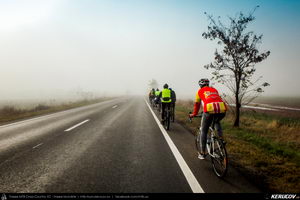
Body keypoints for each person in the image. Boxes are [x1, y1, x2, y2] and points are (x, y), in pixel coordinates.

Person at [189, 78, 227, 159]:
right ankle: (221, 140)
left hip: (209, 110)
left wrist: (194, 114)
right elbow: (214, 99)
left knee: (203, 130)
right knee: (217, 122)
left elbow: (197, 104)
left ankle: (202, 153)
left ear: (200, 85)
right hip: (222, 109)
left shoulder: (199, 91)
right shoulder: (214, 89)